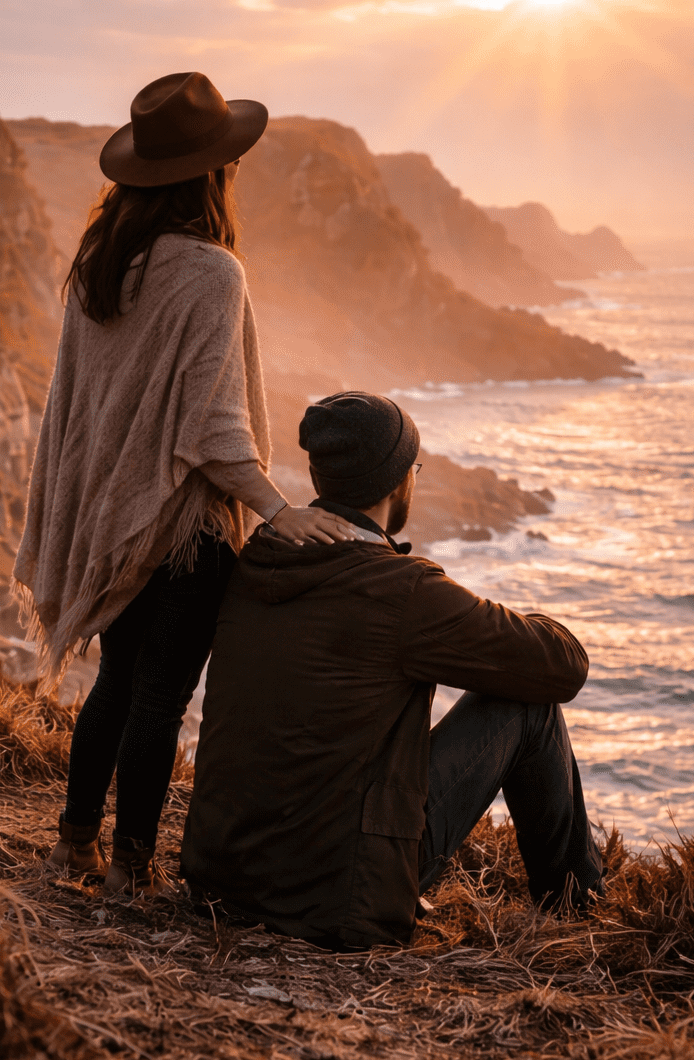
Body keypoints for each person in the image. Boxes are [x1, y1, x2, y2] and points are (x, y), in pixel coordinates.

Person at [12, 72, 360, 897]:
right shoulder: (211, 273)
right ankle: (133, 865)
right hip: (182, 528)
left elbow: (83, 411)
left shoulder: (101, 264)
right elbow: (210, 432)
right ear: (214, 173)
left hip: (114, 519)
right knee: (161, 699)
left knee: (117, 684)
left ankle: (73, 846)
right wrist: (279, 511)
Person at [180, 390, 603, 949]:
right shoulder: (404, 591)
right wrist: (522, 619)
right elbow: (563, 667)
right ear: (399, 479)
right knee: (528, 705)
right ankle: (581, 911)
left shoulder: (258, 555)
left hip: (223, 879)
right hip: (340, 900)